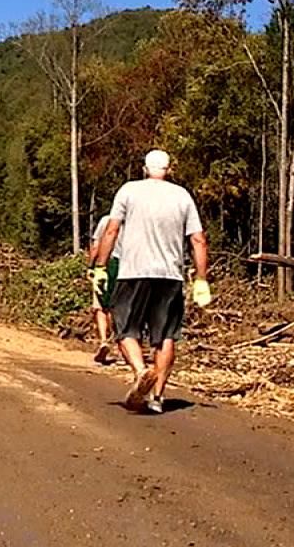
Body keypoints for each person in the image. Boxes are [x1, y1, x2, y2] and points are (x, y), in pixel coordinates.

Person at [90, 149, 211, 414]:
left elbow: (111, 230)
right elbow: (198, 239)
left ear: (145, 168)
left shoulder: (129, 190)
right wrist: (201, 279)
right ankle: (157, 397)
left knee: (125, 329)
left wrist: (100, 265)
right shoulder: (182, 196)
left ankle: (140, 370)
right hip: (170, 276)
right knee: (165, 336)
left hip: (133, 272)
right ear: (169, 169)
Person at [87, 215, 120, 365]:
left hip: (106, 264)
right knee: (118, 306)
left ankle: (103, 340)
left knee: (100, 305)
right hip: (129, 266)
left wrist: (91, 266)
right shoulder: (134, 221)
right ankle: (121, 345)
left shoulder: (106, 220)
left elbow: (96, 245)